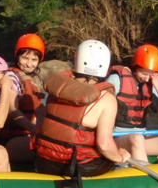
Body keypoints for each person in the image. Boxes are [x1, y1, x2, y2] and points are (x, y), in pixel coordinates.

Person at [33, 39, 131, 178]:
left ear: (77, 59)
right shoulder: (106, 99)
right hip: (78, 166)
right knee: (114, 158)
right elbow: (104, 144)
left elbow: (39, 127)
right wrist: (119, 157)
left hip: (43, 162)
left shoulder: (57, 88)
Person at [0, 33, 47, 164]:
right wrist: (32, 129)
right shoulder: (11, 77)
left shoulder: (36, 80)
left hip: (21, 135)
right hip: (7, 139)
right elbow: (13, 110)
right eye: (25, 58)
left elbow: (36, 111)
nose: (29, 64)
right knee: (46, 147)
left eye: (34, 60)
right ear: (17, 56)